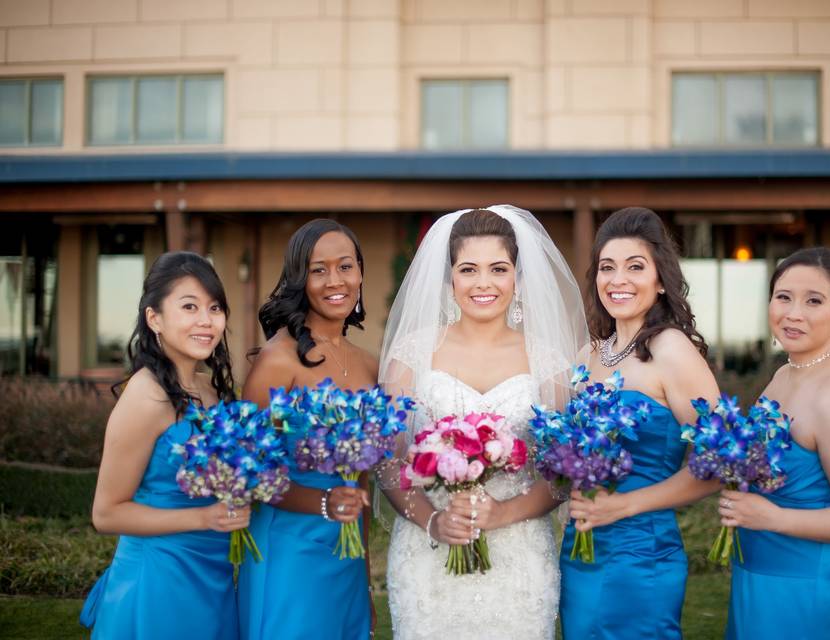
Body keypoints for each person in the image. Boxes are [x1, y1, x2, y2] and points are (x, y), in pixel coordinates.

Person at [378, 206, 588, 640]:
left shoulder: (549, 364)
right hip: (428, 553)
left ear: (517, 277)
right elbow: (389, 464)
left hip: (519, 556)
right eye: (468, 269)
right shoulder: (411, 356)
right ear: (449, 278)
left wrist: (504, 512)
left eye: (498, 268)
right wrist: (433, 521)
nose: (483, 283)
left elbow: (563, 474)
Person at [563, 207, 719, 639]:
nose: (619, 280)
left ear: (661, 279)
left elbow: (723, 462)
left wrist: (626, 504)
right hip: (581, 551)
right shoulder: (589, 355)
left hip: (641, 553)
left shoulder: (672, 349)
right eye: (607, 267)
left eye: (636, 266)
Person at [80, 251, 248, 639]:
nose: (206, 320)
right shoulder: (145, 397)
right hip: (159, 580)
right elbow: (106, 514)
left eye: (214, 307)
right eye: (189, 307)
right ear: (154, 318)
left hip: (213, 572)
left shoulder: (211, 390)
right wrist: (204, 518)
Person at [720, 247, 830, 639]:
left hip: (805, 588)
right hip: (759, 575)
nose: (793, 313)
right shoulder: (785, 374)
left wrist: (772, 518)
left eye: (814, 301)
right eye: (783, 297)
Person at [239, 219, 376, 640]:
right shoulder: (278, 362)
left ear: (360, 273)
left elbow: (365, 476)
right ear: (301, 279)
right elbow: (248, 472)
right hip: (288, 552)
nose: (335, 281)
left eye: (345, 266)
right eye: (319, 270)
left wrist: (365, 573)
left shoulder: (370, 364)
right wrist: (322, 503)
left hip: (347, 554)